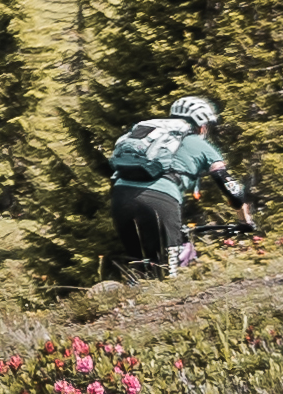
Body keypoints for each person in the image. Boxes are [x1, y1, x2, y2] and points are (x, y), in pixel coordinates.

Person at [100, 91, 251, 279]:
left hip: (120, 197)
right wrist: (246, 221)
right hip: (160, 198)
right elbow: (229, 186)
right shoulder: (197, 142)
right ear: (201, 125)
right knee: (167, 272)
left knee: (139, 267)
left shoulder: (150, 134)